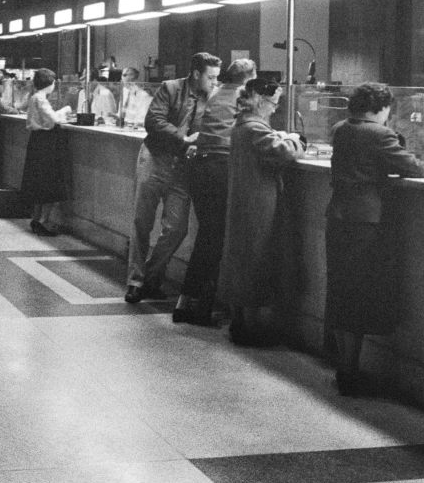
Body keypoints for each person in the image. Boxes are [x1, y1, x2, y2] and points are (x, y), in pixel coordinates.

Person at [324, 83, 424, 397]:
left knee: (342, 289)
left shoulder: (341, 128)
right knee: (358, 292)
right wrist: (423, 165)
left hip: (339, 216)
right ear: (382, 108)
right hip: (365, 221)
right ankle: (350, 370)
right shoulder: (378, 134)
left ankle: (345, 364)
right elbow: (414, 168)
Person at [124, 52, 221, 304]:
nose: (214, 82)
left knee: (177, 229)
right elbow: (153, 120)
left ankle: (150, 276)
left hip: (181, 168)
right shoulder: (170, 88)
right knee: (141, 222)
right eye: (210, 77)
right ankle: (135, 282)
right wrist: (183, 138)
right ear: (197, 74)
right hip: (154, 159)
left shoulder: (211, 96)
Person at [217, 78, 304, 345]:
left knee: (242, 261)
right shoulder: (255, 128)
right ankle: (252, 329)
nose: (275, 109)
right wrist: (296, 140)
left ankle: (241, 322)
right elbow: (285, 153)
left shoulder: (241, 126)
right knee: (256, 262)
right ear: (260, 102)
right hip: (258, 204)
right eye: (274, 103)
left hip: (245, 201)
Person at [174, 58, 257, 326]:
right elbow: (251, 128)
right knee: (216, 239)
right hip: (222, 167)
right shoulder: (243, 95)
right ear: (248, 78)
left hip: (201, 167)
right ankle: (202, 306)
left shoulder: (216, 92)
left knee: (207, 236)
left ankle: (185, 302)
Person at [18, 68, 73, 235]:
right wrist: (66, 110)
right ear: (49, 83)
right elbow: (54, 119)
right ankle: (44, 221)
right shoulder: (41, 99)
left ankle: (37, 219)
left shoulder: (34, 98)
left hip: (37, 141)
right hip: (47, 143)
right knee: (49, 183)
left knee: (38, 183)